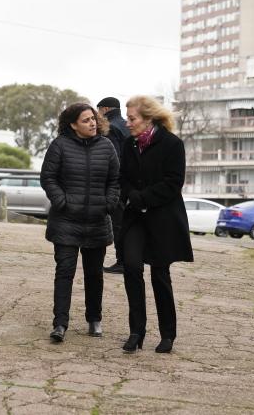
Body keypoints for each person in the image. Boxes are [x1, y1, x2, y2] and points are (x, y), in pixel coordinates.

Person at [119, 95, 193, 354]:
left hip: (162, 219)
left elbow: (174, 182)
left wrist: (143, 198)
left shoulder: (172, 144)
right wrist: (132, 196)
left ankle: (167, 335)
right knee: (131, 267)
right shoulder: (129, 145)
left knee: (160, 275)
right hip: (135, 218)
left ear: (148, 118)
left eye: (132, 118)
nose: (127, 123)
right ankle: (136, 331)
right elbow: (123, 178)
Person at [40, 103, 119, 343]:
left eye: (93, 118)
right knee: (64, 272)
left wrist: (108, 203)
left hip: (97, 221)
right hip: (66, 221)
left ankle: (94, 319)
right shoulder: (59, 146)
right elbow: (48, 178)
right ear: (73, 124)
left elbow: (115, 180)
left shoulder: (107, 146)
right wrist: (61, 201)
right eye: (86, 120)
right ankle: (60, 323)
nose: (93, 123)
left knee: (94, 274)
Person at [97, 96, 129, 275]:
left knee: (117, 224)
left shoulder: (111, 127)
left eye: (99, 110)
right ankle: (128, 259)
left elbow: (113, 157)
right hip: (128, 182)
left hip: (116, 183)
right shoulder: (126, 125)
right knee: (124, 222)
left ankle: (122, 261)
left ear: (106, 109)